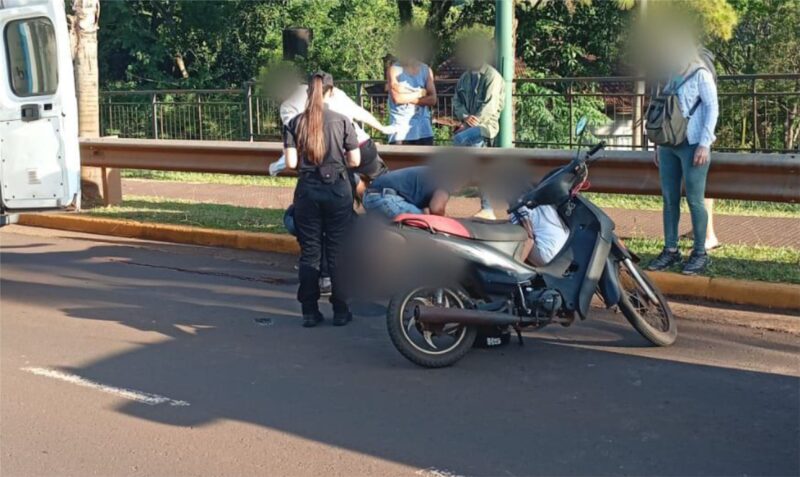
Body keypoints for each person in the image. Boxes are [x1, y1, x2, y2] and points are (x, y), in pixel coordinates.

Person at [284, 71, 361, 327]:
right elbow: (355, 161)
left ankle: (309, 311)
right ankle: (341, 310)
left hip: (307, 191)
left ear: (309, 92)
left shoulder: (295, 123)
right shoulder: (342, 121)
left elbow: (291, 162)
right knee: (338, 251)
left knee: (310, 252)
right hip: (337, 190)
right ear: (331, 91)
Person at [647, 46, 719, 275]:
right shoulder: (673, 75)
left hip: (693, 144)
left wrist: (705, 144)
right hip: (670, 144)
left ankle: (699, 252)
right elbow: (666, 110)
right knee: (669, 199)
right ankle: (671, 249)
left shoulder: (701, 74)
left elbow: (712, 107)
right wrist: (658, 145)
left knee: (695, 201)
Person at [452, 33, 506, 220]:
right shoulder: (465, 78)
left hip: (486, 127)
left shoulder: (492, 76)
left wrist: (470, 123)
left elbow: (490, 106)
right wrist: (465, 118)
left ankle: (461, 175)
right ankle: (487, 207)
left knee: (460, 139)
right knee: (481, 164)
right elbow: (456, 102)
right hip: (469, 126)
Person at [386, 28, 437, 145]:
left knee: (427, 162)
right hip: (400, 128)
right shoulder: (394, 70)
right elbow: (397, 99)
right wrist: (420, 93)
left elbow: (433, 99)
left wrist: (405, 94)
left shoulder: (426, 70)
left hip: (424, 129)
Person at [362, 166, 452, 220]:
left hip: (372, 197)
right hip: (384, 199)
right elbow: (436, 209)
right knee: (425, 220)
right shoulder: (447, 180)